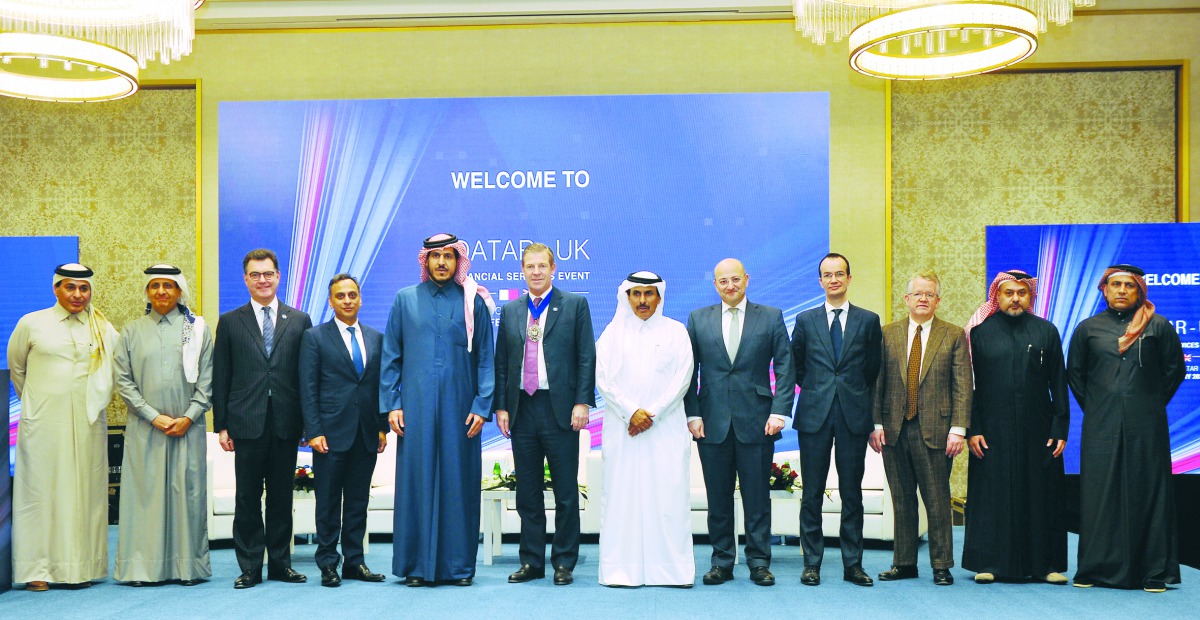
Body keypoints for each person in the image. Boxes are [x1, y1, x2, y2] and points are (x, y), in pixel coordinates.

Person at [380, 233, 495, 587]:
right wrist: (393, 404)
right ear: (425, 261)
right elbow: (390, 358)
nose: (442, 262)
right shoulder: (405, 300)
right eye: (435, 257)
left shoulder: (473, 301)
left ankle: (458, 567)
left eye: (448, 256)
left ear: (458, 260)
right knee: (416, 482)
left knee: (458, 483)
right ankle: (415, 566)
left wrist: (482, 404)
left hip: (461, 410)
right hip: (415, 410)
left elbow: (487, 359)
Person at [1067, 264, 1185, 593]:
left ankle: (1152, 572)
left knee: (1148, 491)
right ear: (1104, 289)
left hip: (1146, 426)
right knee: (1099, 494)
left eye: (1128, 286)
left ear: (1139, 291)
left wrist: (1145, 402)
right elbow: (1075, 375)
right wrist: (1100, 406)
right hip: (1100, 425)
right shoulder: (1088, 328)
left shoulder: (1158, 326)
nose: (1121, 290)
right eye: (1115, 284)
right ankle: (1093, 568)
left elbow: (1174, 371)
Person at [7, 263, 119, 591]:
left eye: (83, 289)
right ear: (56, 289)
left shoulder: (101, 327)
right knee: (40, 495)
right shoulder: (32, 323)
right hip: (42, 424)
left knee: (82, 494)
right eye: (70, 288)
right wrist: (41, 405)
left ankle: (78, 569)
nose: (77, 295)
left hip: (86, 425)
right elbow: (18, 370)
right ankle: (36, 570)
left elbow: (119, 366)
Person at [684, 258, 795, 587]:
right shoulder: (698, 319)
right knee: (717, 499)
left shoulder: (771, 317)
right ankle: (721, 561)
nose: (730, 286)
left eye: (735, 279)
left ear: (746, 279)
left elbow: (786, 366)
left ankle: (759, 561)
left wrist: (780, 411)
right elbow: (688, 371)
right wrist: (692, 414)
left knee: (757, 498)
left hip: (758, 421)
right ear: (715, 285)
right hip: (711, 423)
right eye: (723, 281)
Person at [493, 242, 595, 586]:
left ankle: (564, 562)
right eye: (530, 267)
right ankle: (532, 562)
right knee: (528, 492)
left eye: (542, 266)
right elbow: (502, 363)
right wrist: (502, 406)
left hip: (561, 409)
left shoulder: (575, 305)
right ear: (523, 271)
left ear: (554, 269)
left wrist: (582, 402)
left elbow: (586, 357)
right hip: (522, 409)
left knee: (566, 491)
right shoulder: (511, 311)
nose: (536, 272)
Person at [213, 248, 313, 589]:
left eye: (268, 273)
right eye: (255, 275)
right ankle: (251, 566)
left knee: (282, 497)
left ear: (278, 276)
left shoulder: (300, 320)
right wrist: (221, 425)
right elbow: (221, 376)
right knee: (247, 498)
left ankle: (281, 565)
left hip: (287, 421)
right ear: (245, 279)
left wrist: (308, 424)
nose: (262, 280)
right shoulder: (229, 321)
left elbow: (307, 376)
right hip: (246, 421)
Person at [962, 270, 1069, 585]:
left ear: (1030, 297)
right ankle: (988, 563)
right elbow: (969, 386)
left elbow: (1058, 384)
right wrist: (973, 428)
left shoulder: (1046, 331)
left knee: (1041, 495)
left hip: (1038, 430)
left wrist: (1059, 427)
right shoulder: (979, 332)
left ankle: (1046, 565)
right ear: (998, 295)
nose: (1015, 299)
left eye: (1022, 293)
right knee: (993, 495)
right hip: (991, 430)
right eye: (1009, 293)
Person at [113, 264, 214, 587]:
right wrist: (150, 414)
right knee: (146, 498)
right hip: (146, 428)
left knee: (187, 496)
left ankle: (188, 568)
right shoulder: (131, 330)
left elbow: (209, 380)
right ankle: (143, 569)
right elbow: (123, 381)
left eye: (168, 286)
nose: (161, 292)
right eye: (155, 286)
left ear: (179, 290)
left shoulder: (196, 328)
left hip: (188, 427)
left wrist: (190, 415)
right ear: (147, 291)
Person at [595, 272, 695, 587]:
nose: (642, 301)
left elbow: (684, 377)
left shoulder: (676, 331)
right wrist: (631, 412)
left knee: (667, 498)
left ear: (659, 297)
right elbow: (603, 380)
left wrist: (651, 414)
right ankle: (620, 571)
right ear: (627, 297)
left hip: (664, 429)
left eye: (648, 294)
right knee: (622, 498)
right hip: (624, 430)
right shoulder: (612, 333)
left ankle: (671, 571)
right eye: (636, 294)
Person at [871, 270, 970, 586]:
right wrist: (876, 423)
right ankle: (904, 563)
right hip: (894, 429)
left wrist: (958, 429)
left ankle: (941, 565)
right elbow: (878, 383)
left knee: (938, 501)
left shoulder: (952, 335)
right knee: (902, 499)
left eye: (930, 294)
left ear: (938, 300)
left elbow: (963, 385)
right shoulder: (888, 334)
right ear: (907, 299)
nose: (923, 299)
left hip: (937, 431)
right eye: (918, 294)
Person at [790, 253, 881, 587]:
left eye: (839, 274)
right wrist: (819, 389)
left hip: (853, 417)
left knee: (851, 492)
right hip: (814, 415)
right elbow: (796, 365)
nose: (833, 280)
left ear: (849, 278)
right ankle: (812, 563)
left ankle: (852, 564)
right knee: (812, 492)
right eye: (827, 275)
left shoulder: (868, 320)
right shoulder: (805, 320)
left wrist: (851, 393)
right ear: (820, 281)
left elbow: (873, 369)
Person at [298, 274, 388, 588]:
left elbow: (379, 385)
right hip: (330, 435)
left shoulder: (376, 337)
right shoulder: (315, 337)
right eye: (340, 296)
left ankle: (355, 562)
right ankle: (327, 563)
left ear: (360, 298)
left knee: (357, 502)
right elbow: (308, 388)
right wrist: (314, 431)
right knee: (327, 502)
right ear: (331, 301)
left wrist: (381, 427)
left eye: (352, 295)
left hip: (366, 433)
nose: (347, 300)